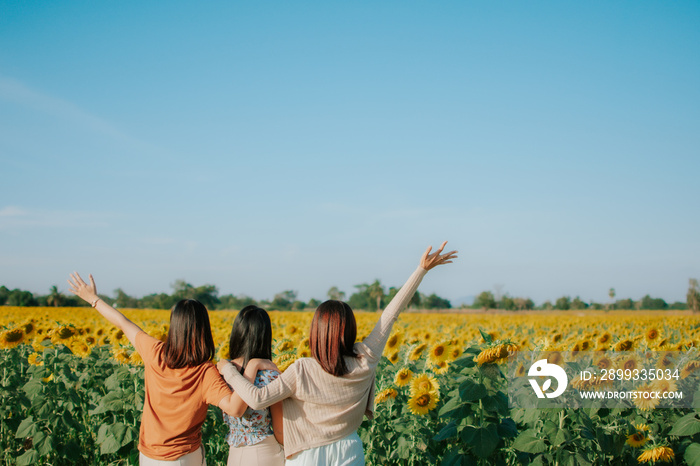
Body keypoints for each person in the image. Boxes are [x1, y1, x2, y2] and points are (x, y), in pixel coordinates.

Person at [217, 241, 457, 465]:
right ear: (350, 329)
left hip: (307, 454)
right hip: (349, 449)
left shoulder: (302, 369)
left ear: (316, 333)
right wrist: (420, 271)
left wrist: (228, 369)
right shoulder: (365, 358)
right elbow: (390, 316)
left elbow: (257, 399)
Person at [67, 273, 257, 466]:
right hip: (183, 457)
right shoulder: (204, 372)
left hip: (149, 456)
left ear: (174, 327)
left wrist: (92, 299)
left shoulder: (155, 352)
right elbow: (235, 409)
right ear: (204, 329)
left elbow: (123, 323)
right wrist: (251, 367)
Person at [221, 305, 285, 465]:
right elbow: (279, 429)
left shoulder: (222, 372)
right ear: (265, 337)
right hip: (265, 452)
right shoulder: (271, 375)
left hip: (234, 454)